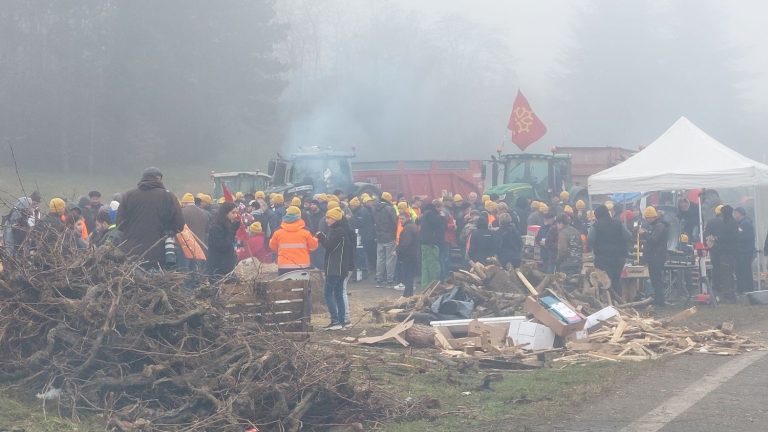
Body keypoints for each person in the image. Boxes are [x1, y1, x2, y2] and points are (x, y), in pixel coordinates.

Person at [117, 167, 185, 268]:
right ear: (159, 179)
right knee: (155, 282)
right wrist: (169, 231)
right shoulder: (168, 196)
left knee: (130, 283)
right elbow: (179, 224)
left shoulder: (128, 195)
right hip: (158, 254)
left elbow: (120, 224)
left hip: (130, 253)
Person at [316, 207, 356, 330]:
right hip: (342, 268)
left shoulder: (337, 231)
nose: (326, 220)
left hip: (334, 268)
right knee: (338, 294)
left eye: (328, 218)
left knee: (328, 294)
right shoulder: (343, 230)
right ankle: (342, 321)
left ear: (334, 219)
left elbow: (330, 247)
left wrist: (321, 237)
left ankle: (335, 321)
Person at [589, 205, 630, 296]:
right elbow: (628, 237)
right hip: (619, 258)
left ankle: (607, 303)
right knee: (616, 280)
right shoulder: (618, 224)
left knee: (604, 282)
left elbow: (590, 239)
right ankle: (618, 302)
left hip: (602, 258)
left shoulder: (596, 226)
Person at [269, 206, 318, 275]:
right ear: (299, 216)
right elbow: (313, 246)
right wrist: (315, 239)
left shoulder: (278, 232)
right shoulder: (306, 232)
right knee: (303, 285)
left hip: (284, 266)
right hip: (302, 265)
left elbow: (272, 246)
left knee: (284, 285)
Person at [640, 206, 670, 306]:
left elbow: (653, 240)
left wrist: (644, 234)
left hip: (656, 256)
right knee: (655, 279)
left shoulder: (659, 226)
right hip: (657, 255)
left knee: (656, 279)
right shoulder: (659, 225)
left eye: (647, 218)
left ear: (651, 217)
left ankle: (659, 301)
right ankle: (659, 299)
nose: (647, 221)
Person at [206, 202, 240, 282]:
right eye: (233, 213)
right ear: (225, 213)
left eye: (236, 213)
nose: (236, 215)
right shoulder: (216, 228)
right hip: (218, 269)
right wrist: (231, 231)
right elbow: (223, 246)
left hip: (227, 267)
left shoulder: (228, 226)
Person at [419, 202, 446, 287]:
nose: (441, 210)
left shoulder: (426, 213)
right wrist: (442, 216)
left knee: (425, 267)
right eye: (440, 207)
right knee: (433, 267)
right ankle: (433, 286)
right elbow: (441, 225)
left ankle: (425, 286)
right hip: (431, 244)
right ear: (436, 207)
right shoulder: (431, 214)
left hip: (424, 243)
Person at [374, 192, 398, 287]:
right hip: (389, 237)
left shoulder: (375, 208)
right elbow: (394, 222)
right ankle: (390, 279)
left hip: (379, 237)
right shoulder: (389, 208)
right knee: (390, 259)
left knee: (380, 259)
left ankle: (379, 279)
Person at [733, 207, 755, 294]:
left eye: (735, 213)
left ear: (740, 213)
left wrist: (735, 238)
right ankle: (745, 289)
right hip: (744, 251)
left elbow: (743, 236)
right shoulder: (743, 223)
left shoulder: (745, 223)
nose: (734, 215)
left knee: (743, 270)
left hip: (744, 251)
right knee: (744, 270)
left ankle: (745, 289)